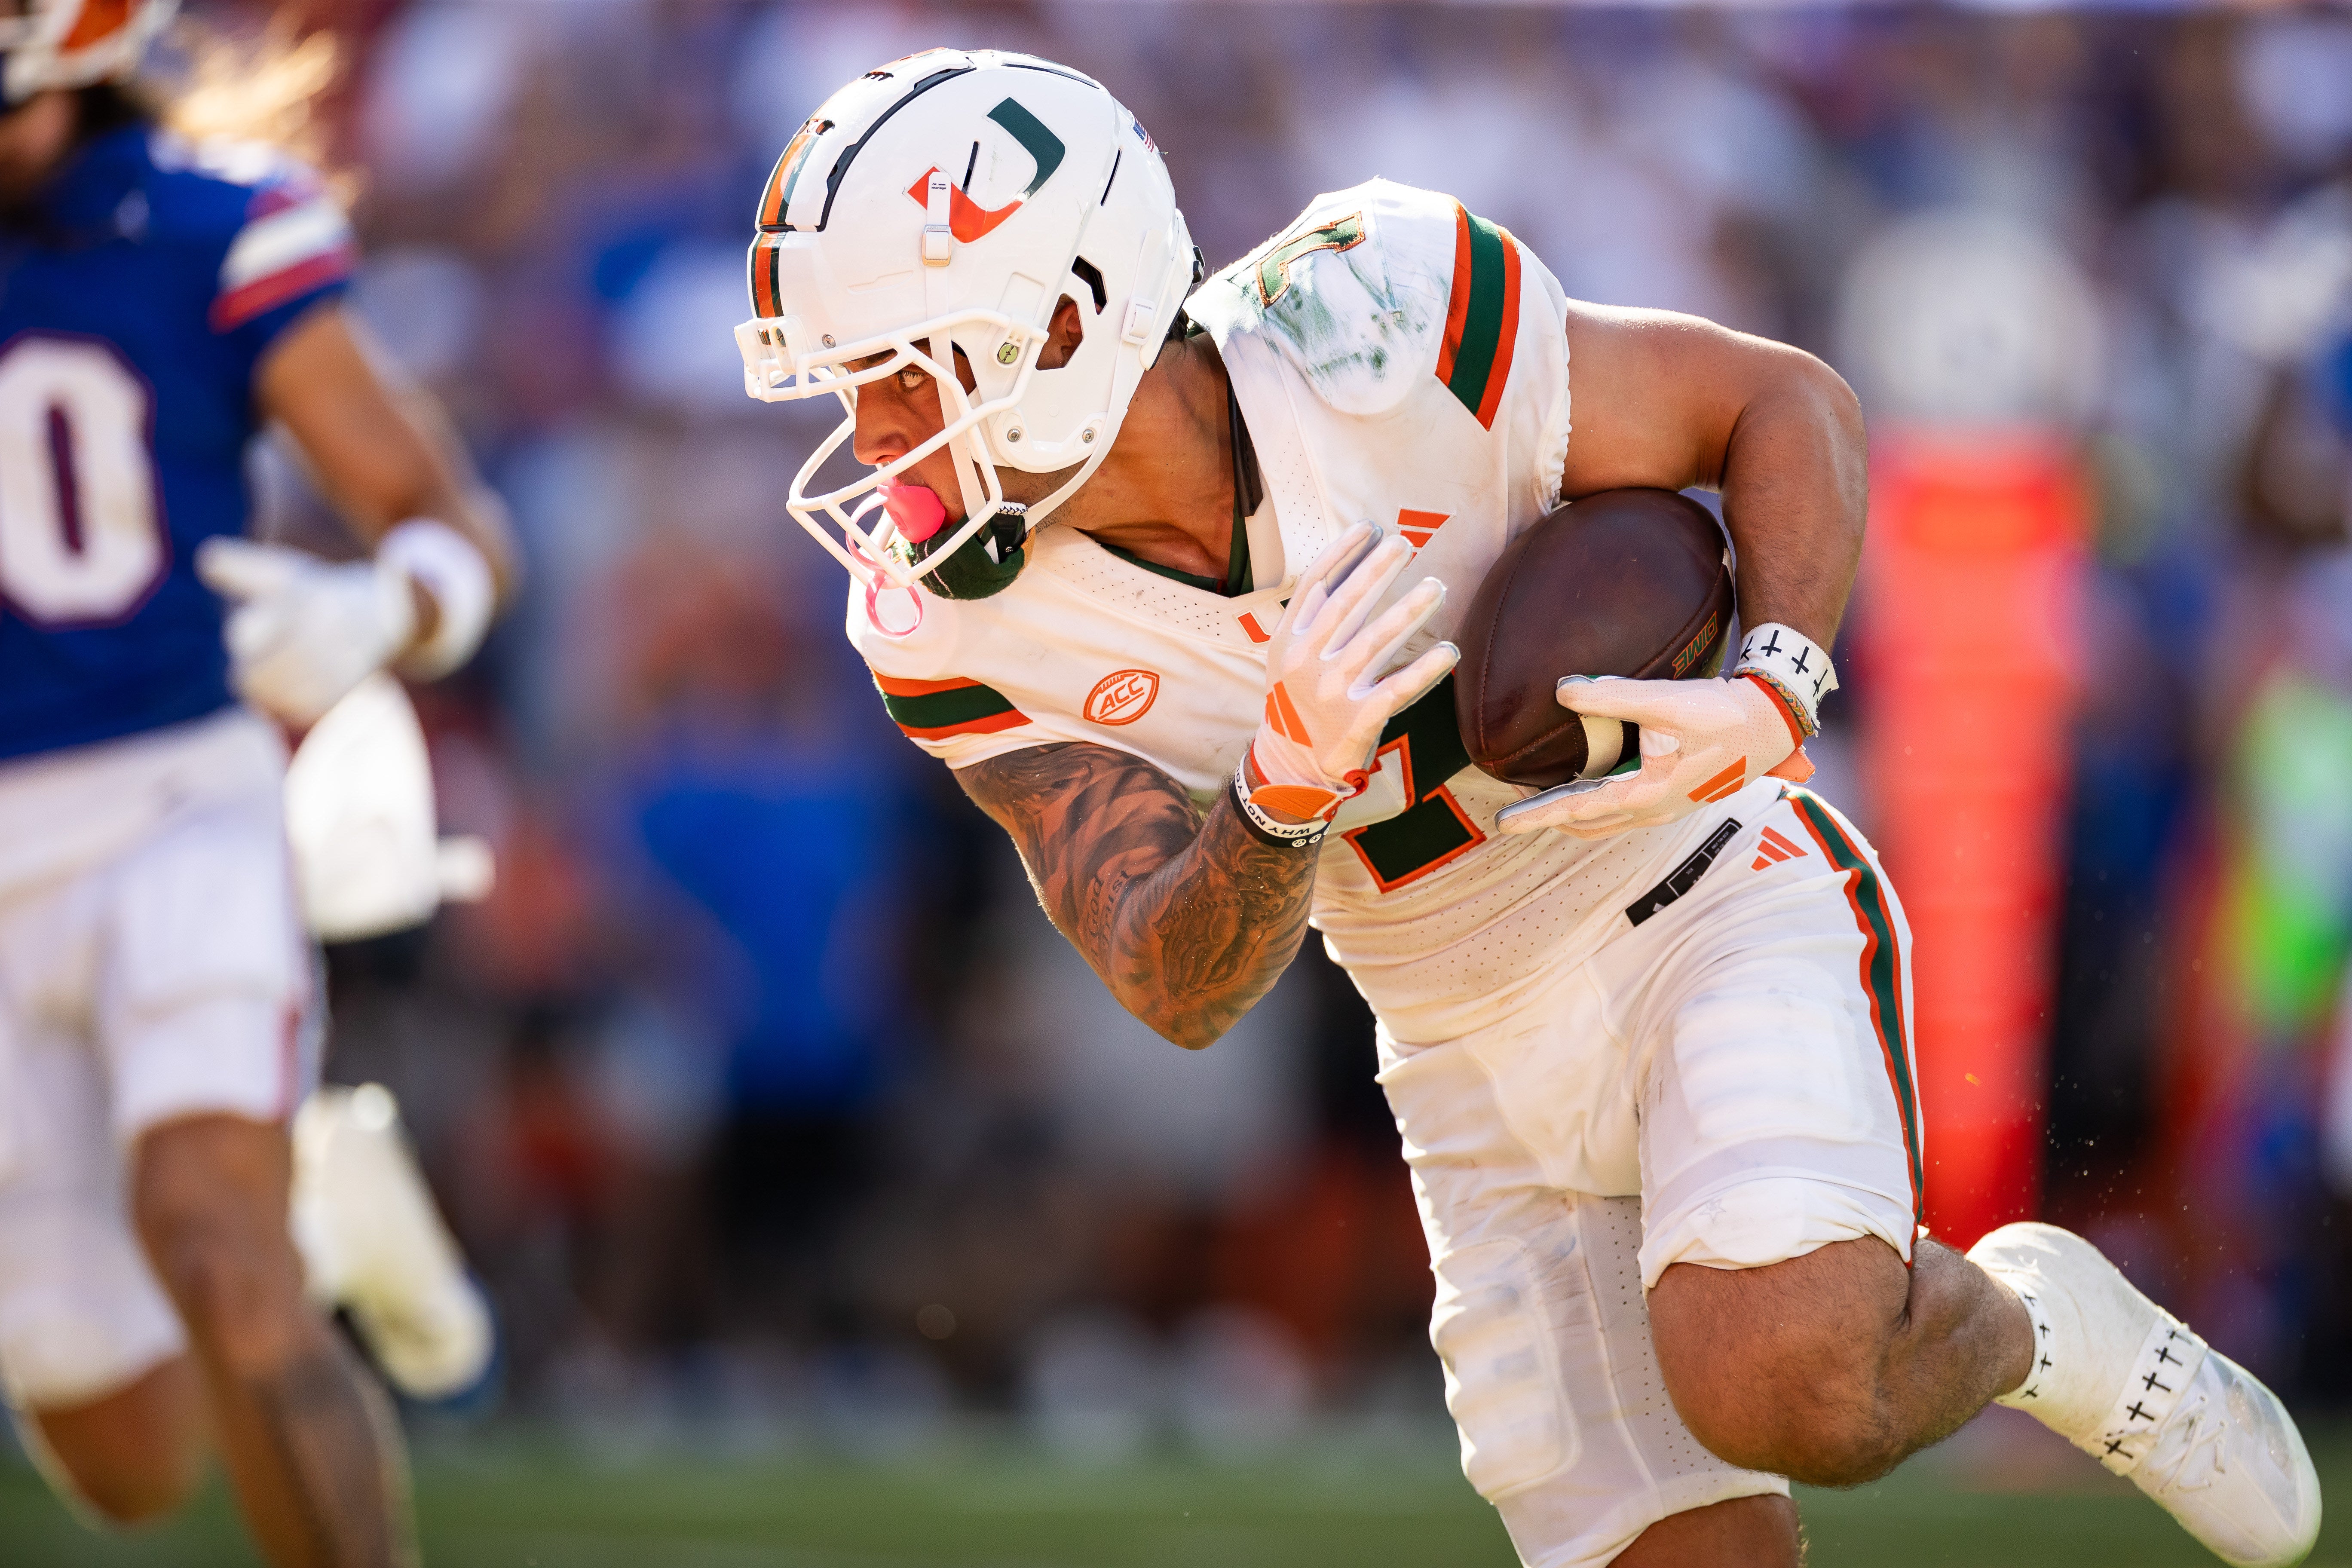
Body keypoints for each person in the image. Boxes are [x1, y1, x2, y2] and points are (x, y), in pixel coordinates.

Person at [734, 49, 2321, 1568]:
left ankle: (2038, 1323)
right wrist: (1280, 800)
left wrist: (1775, 678)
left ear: (1065, 323)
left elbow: (1780, 406)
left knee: (1789, 1380)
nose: (874, 443)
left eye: (895, 376)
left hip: (1693, 892)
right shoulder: (951, 622)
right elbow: (1175, 980)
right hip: (1456, 1036)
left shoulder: (1374, 316)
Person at [0, 4, 512, 1563]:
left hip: (176, 800)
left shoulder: (212, 226)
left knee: (217, 1260)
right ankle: (316, 1206)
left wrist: (382, 609)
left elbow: (446, 521)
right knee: (127, 1454)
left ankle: (266, 1219)